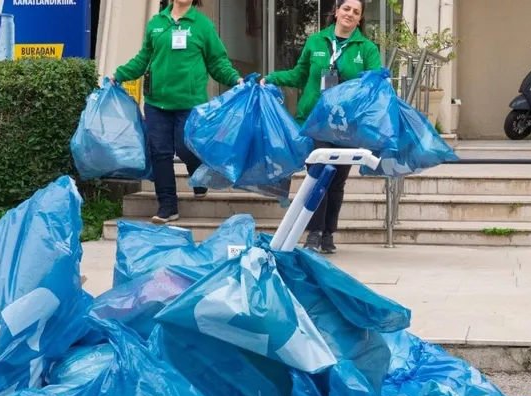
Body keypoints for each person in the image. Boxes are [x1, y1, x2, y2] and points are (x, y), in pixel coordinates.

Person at [263, 0, 381, 254]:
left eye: (356, 12)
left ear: (360, 19)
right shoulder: (316, 41)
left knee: (337, 181)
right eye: (346, 8)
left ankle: (329, 234)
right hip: (314, 120)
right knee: (319, 175)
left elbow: (372, 86)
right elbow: (298, 75)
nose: (350, 14)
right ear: (336, 11)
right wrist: (270, 78)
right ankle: (314, 232)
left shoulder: (367, 48)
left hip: (345, 125)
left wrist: (377, 78)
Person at [114, 0, 243, 224]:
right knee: (160, 153)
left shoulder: (202, 25)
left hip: (189, 103)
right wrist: (120, 74)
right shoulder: (156, 23)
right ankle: (167, 205)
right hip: (156, 103)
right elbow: (143, 58)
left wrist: (235, 79)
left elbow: (217, 62)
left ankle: (199, 175)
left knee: (185, 148)